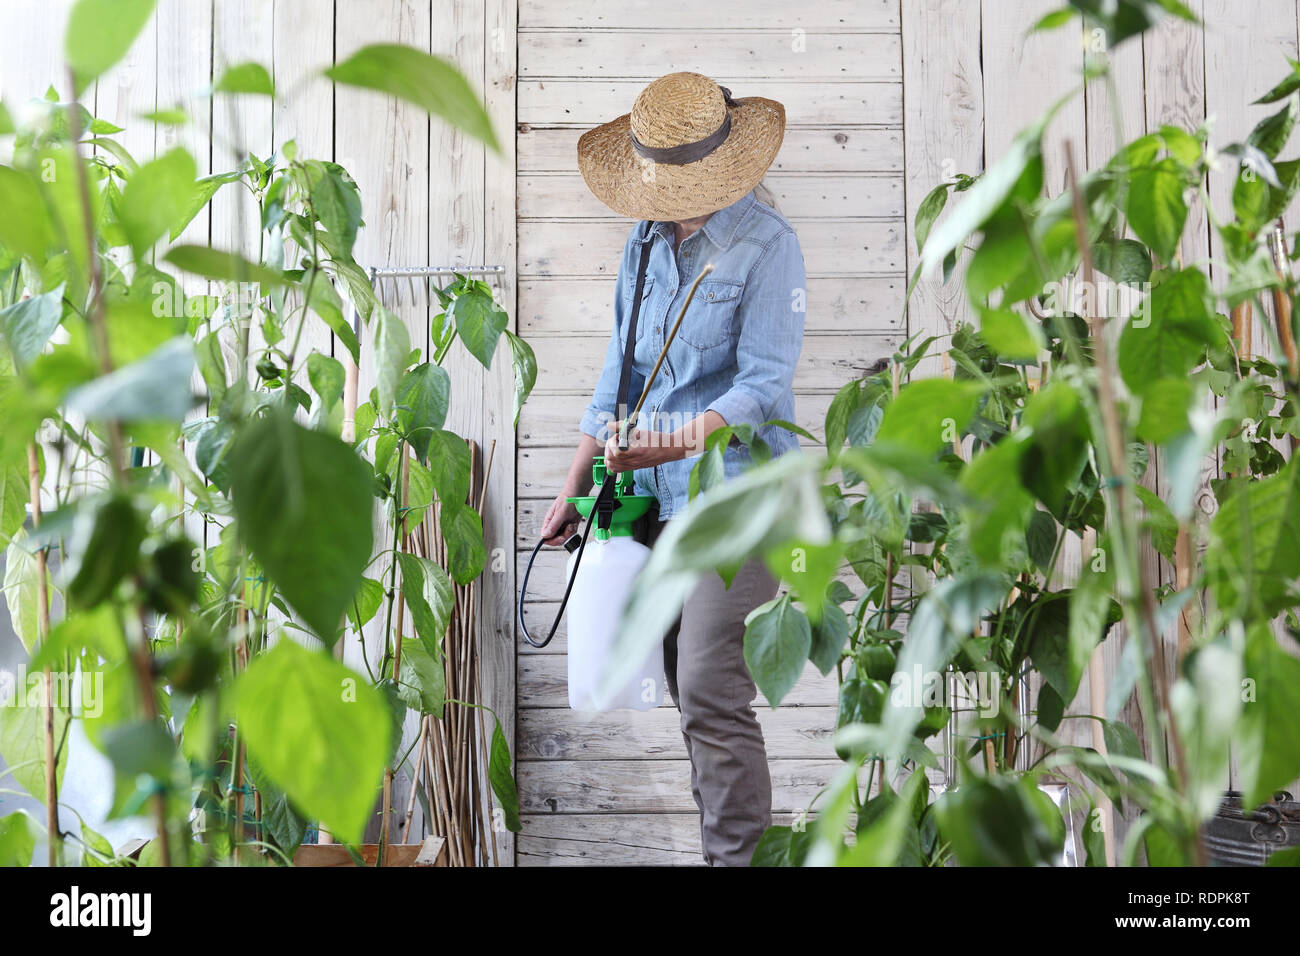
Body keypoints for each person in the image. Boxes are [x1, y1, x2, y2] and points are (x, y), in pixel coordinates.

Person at [539, 71, 807, 866]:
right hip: (651, 501)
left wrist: (667, 444)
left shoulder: (768, 247)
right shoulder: (647, 240)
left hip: (733, 500)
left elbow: (761, 389)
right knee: (685, 696)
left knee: (709, 691)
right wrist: (575, 486)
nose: (670, 196)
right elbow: (615, 378)